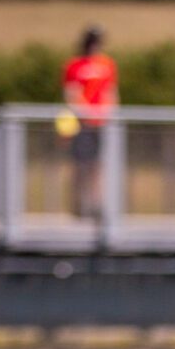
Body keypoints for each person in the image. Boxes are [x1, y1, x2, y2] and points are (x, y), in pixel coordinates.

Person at [61, 27, 118, 222]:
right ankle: (79, 204)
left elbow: (111, 91)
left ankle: (96, 204)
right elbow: (71, 92)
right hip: (82, 122)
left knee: (98, 165)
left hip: (101, 123)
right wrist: (84, 113)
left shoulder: (107, 64)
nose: (95, 46)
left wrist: (110, 114)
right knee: (80, 164)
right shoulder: (74, 65)